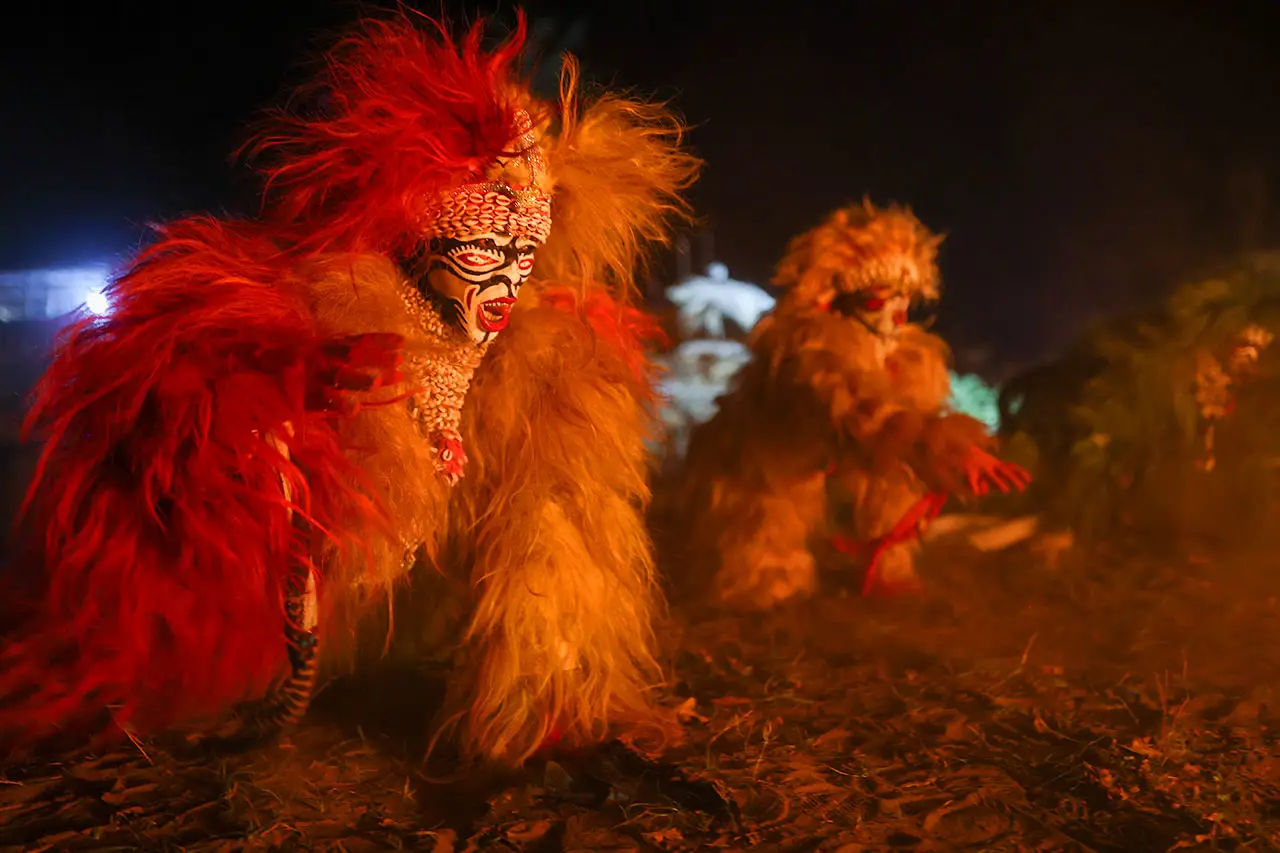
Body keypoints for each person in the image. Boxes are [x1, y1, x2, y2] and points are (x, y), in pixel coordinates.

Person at [0, 11, 699, 767]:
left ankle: (549, 687)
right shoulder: (311, 308)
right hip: (283, 642)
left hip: (413, 621)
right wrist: (282, 421)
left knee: (578, 399)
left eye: (527, 247)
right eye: (486, 245)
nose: (510, 272)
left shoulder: (537, 342)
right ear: (416, 234)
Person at [672, 200, 1028, 609]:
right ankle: (766, 578)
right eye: (878, 300)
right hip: (771, 460)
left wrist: (952, 448)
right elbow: (855, 410)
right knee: (765, 521)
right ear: (839, 299)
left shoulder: (910, 354)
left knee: (898, 474)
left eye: (904, 301)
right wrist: (928, 440)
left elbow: (905, 424)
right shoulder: (812, 346)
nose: (893, 313)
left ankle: (886, 563)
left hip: (843, 456)